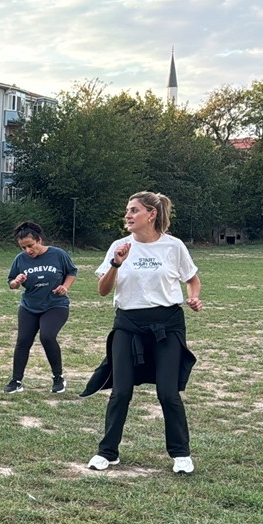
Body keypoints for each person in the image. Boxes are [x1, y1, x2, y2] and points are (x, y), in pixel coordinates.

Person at [82, 192, 203, 474]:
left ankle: (181, 455)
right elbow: (102, 291)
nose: (128, 215)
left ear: (152, 214)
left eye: (134, 210)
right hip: (128, 326)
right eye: (127, 210)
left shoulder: (174, 247)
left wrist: (194, 297)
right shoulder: (119, 246)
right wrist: (115, 264)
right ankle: (107, 452)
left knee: (168, 393)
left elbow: (192, 280)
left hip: (167, 326)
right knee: (120, 392)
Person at [5, 221, 78, 394]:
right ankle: (16, 381)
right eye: (23, 248)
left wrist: (65, 287)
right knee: (23, 341)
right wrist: (16, 282)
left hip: (55, 305)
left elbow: (72, 272)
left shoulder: (58, 254)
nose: (28, 251)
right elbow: (11, 283)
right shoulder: (20, 259)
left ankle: (58, 377)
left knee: (47, 336)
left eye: (30, 245)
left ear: (39, 240)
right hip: (29, 306)